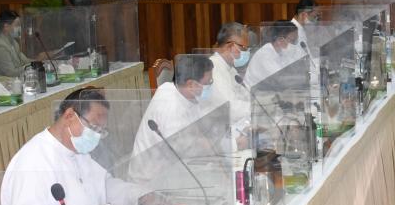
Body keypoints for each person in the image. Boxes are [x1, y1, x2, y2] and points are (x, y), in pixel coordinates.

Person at [0, 87, 165, 205]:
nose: (96, 136)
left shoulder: (77, 151)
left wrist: (140, 196)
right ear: (69, 116)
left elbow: (104, 187)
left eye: (101, 131)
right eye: (93, 128)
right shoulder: (33, 161)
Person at [127, 55, 231, 189]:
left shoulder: (181, 92)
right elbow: (186, 153)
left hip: (172, 170)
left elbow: (201, 133)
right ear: (191, 84)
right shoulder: (170, 107)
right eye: (208, 82)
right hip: (151, 183)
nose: (211, 85)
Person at [209, 22, 253, 121]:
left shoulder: (230, 68)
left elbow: (246, 94)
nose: (247, 53)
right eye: (244, 48)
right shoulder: (213, 69)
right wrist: (256, 109)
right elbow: (231, 109)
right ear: (231, 46)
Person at [244, 22, 302, 89]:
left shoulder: (281, 52)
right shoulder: (265, 55)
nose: (294, 45)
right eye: (293, 41)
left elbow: (291, 70)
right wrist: (303, 78)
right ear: (280, 40)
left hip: (267, 89)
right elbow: (281, 79)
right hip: (253, 92)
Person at [0, 10, 31, 78]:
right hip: (4, 83)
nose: (20, 28)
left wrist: (39, 62)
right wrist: (31, 66)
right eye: (17, 25)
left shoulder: (13, 42)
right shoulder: (0, 47)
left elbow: (25, 61)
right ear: (6, 27)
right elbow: (11, 73)